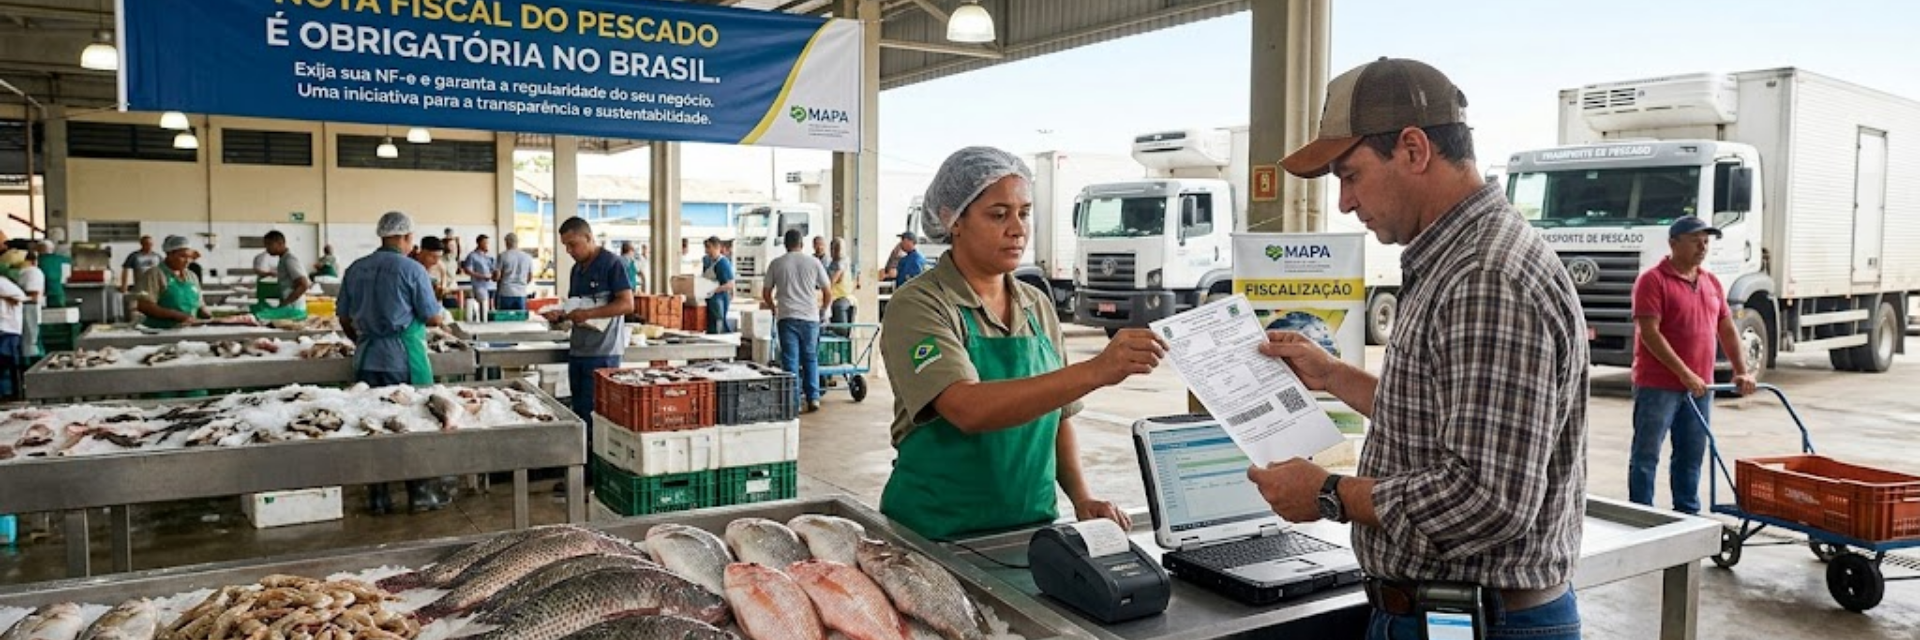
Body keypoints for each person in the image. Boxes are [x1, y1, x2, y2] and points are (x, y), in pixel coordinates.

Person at [1250, 58, 1589, 639]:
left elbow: (1488, 497)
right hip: (1449, 613)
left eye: (1350, 175)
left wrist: (1329, 493)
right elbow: (1445, 418)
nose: (1344, 204)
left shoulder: (1485, 275)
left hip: (1480, 621)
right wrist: (1331, 374)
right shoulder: (1458, 260)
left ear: (1413, 149)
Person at [878, 146, 1165, 540]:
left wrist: (1081, 497)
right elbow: (967, 408)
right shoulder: (921, 304)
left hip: (1031, 529)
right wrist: (1096, 370)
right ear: (953, 219)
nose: (1018, 229)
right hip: (935, 532)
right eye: (998, 215)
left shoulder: (1035, 305)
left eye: (1024, 213)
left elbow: (1058, 416)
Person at [1629, 216, 1758, 514]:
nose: (1703, 246)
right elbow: (1649, 333)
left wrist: (1741, 370)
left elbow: (1726, 329)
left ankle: (1687, 515)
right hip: (1658, 385)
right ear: (1673, 243)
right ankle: (1640, 516)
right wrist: (1684, 373)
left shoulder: (1711, 282)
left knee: (1691, 454)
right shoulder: (1652, 280)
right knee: (1647, 455)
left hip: (1701, 387)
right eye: (1695, 240)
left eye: (1706, 241)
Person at [337, 211, 451, 514]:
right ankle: (420, 493)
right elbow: (433, 316)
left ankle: (378, 497)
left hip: (366, 357)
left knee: (373, 423)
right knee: (414, 422)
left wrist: (362, 340)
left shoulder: (355, 269)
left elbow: (344, 317)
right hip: (404, 357)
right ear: (406, 237)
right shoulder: (412, 270)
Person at [542, 217, 634, 498]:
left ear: (589, 237)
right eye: (566, 246)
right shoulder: (576, 271)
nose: (569, 250)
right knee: (580, 413)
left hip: (603, 352)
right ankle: (581, 472)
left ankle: (597, 476)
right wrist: (563, 316)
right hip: (579, 349)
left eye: (573, 244)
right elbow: (577, 308)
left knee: (598, 415)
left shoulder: (611, 264)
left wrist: (589, 314)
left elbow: (626, 303)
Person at [763, 228, 832, 413]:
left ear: (785, 244)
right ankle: (813, 398)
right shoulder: (814, 262)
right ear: (802, 244)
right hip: (810, 317)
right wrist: (823, 310)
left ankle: (792, 401)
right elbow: (827, 291)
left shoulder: (776, 264)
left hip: (786, 317)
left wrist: (773, 308)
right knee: (810, 358)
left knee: (790, 360)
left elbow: (766, 292)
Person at [134, 236, 212, 328]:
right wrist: (176, 315)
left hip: (188, 330)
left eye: (189, 257)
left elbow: (199, 304)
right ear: (170, 255)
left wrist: (211, 317)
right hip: (160, 332)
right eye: (183, 256)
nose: (187, 261)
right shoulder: (155, 274)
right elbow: (144, 306)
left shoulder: (192, 276)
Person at [263, 230, 311, 316]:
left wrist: (285, 303)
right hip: (289, 307)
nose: (267, 248)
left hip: (293, 308)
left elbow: (303, 285)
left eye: (269, 244)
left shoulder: (289, 259)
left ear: (280, 243)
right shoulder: (283, 259)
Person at [701, 236, 736, 334]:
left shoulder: (723, 263)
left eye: (709, 247)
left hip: (719, 300)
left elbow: (730, 284)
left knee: (719, 325)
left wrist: (714, 290)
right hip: (710, 300)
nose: (707, 251)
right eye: (706, 248)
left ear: (717, 247)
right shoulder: (709, 262)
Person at [416, 236, 460, 311]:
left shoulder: (440, 266)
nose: (436, 261)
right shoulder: (411, 266)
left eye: (439, 257)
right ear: (422, 252)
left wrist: (442, 290)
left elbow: (443, 289)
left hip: (433, 307)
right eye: (433, 257)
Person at [495, 233, 535, 311]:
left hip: (506, 292)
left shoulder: (503, 256)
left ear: (506, 242)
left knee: (504, 319)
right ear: (517, 242)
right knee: (520, 319)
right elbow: (530, 277)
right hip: (521, 293)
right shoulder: (527, 257)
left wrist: (492, 277)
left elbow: (497, 276)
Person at [462, 234, 497, 319]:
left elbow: (493, 268)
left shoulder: (489, 256)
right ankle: (483, 322)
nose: (487, 245)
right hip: (479, 285)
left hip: (491, 285)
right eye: (485, 243)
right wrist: (482, 276)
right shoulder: (472, 256)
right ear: (479, 243)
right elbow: (468, 270)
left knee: (491, 307)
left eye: (488, 243)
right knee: (484, 306)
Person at [16, 251, 42, 359]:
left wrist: (15, 295)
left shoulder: (32, 272)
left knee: (30, 344)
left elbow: (33, 295)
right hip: (23, 311)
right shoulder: (24, 272)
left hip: (30, 309)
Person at [826, 237, 856, 328]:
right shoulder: (836, 263)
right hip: (838, 296)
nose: (833, 251)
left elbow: (832, 281)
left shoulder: (840, 264)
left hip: (840, 297)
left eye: (835, 249)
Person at [37, 240, 68, 308]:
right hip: (59, 292)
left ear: (41, 249)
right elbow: (66, 276)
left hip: (43, 293)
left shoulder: (38, 260)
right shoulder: (62, 259)